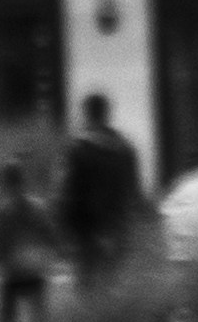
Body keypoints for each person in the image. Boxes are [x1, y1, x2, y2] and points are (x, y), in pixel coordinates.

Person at [57, 91, 147, 287]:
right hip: (118, 227)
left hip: (87, 231)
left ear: (87, 113)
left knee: (87, 287)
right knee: (114, 283)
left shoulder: (78, 149)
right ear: (107, 113)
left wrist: (64, 231)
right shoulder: (125, 148)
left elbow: (68, 194)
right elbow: (135, 191)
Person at [0, 156, 58, 322]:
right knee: (39, 318)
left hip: (13, 274)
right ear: (23, 181)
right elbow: (51, 237)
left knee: (6, 319)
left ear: (5, 183)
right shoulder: (38, 207)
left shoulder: (3, 212)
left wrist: (0, 262)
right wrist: (46, 258)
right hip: (35, 272)